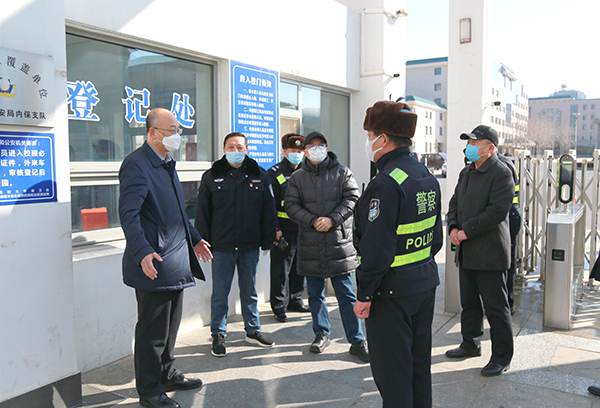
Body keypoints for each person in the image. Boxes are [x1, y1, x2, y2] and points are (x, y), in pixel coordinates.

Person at [119, 108, 212, 408]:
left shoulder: (166, 162)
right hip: (154, 262)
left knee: (170, 328)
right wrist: (143, 250)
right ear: (152, 133)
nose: (177, 135)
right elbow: (129, 215)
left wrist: (194, 238)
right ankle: (149, 391)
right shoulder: (137, 164)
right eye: (171, 129)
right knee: (152, 332)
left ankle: (166, 373)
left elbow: (176, 212)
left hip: (175, 259)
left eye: (178, 129)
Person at [353, 101, 443, 408]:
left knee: (393, 375)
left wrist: (364, 293)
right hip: (424, 284)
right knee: (418, 366)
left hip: (391, 293)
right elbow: (435, 238)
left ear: (383, 138)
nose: (368, 142)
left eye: (369, 135)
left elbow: (376, 249)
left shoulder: (386, 182)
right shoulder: (425, 174)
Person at [284, 131, 369, 363]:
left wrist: (332, 219)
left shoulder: (342, 172)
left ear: (327, 148)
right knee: (315, 294)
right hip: (310, 243)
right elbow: (290, 205)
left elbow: (352, 198)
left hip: (338, 242)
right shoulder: (298, 177)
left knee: (347, 294)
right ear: (305, 151)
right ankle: (321, 333)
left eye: (320, 145)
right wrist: (313, 221)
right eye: (311, 146)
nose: (316, 149)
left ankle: (357, 340)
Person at [195, 132, 277, 357]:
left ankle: (253, 331)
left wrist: (267, 240)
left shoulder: (260, 175)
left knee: (250, 291)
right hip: (221, 246)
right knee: (220, 293)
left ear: (246, 149)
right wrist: (200, 241)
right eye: (231, 147)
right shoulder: (211, 176)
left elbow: (268, 211)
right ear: (224, 149)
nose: (235, 151)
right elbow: (202, 213)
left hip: (249, 245)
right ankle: (218, 334)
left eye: (240, 147)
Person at [445, 125, 515, 377]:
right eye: (469, 143)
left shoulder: (501, 173)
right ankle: (470, 343)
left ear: (490, 148)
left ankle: (501, 357)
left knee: (496, 308)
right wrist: (453, 226)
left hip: (490, 252)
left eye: (475, 143)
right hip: (466, 250)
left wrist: (466, 231)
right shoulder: (467, 172)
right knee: (469, 303)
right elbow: (455, 202)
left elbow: (496, 212)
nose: (469, 147)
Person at [267, 133, 310, 322]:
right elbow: (269, 205)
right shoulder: (275, 172)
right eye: (293, 150)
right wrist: (275, 229)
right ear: (285, 151)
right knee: (281, 269)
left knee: (300, 267)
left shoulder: (308, 171)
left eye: (300, 150)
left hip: (304, 227)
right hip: (283, 228)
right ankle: (279, 306)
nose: (297, 154)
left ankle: (295, 299)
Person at [496, 151, 522, 315]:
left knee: (506, 261)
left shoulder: (502, 165)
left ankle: (506, 303)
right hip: (510, 213)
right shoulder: (504, 162)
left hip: (508, 215)